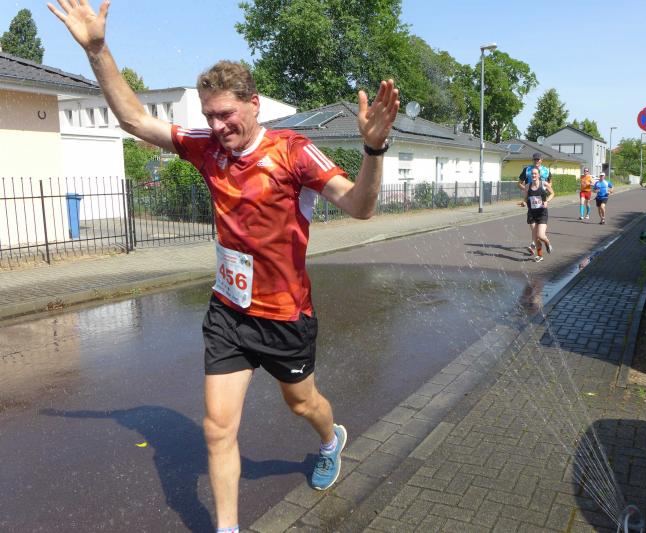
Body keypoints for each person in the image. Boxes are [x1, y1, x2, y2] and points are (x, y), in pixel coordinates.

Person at [48, 2, 400, 532]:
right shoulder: (207, 148)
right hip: (229, 313)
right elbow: (134, 119)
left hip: (284, 318)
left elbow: (361, 207)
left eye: (225, 114)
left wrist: (374, 149)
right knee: (216, 429)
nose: (216, 126)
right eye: (209, 116)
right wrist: (98, 50)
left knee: (302, 404)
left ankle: (331, 440)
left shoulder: (293, 152)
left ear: (253, 104)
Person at [517, 166, 554, 262]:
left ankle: (547, 242)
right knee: (535, 237)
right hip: (532, 213)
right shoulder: (527, 186)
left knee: (541, 235)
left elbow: (552, 193)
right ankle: (540, 255)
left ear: (539, 175)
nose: (533, 175)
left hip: (542, 213)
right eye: (532, 174)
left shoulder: (544, 184)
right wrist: (524, 203)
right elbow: (525, 198)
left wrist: (547, 201)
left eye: (535, 174)